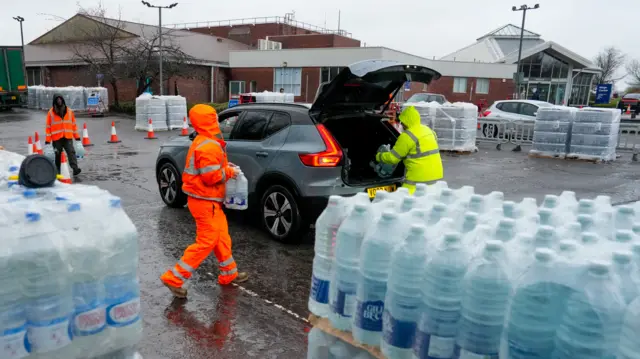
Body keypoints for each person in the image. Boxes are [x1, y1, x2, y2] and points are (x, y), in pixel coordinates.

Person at [160, 104, 249, 298]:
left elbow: (209, 169)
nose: (218, 121)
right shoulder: (209, 145)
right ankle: (173, 278)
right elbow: (211, 177)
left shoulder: (204, 140)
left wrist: (225, 165)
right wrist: (229, 172)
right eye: (215, 118)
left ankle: (229, 273)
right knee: (206, 241)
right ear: (209, 121)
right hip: (205, 201)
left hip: (205, 200)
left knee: (221, 237)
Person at [375, 105, 443, 194]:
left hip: (416, 182)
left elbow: (393, 158)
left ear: (406, 121)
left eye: (402, 122)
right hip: (435, 180)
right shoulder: (429, 131)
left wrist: (379, 156)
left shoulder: (407, 136)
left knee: (404, 203)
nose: (401, 125)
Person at [45, 94, 81, 175]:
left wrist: (77, 137)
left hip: (67, 137)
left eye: (60, 99)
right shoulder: (50, 113)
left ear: (63, 100)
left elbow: (73, 125)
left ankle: (75, 168)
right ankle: (57, 171)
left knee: (71, 152)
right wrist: (48, 140)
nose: (59, 101)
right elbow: (48, 127)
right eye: (57, 100)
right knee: (57, 154)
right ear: (54, 101)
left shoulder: (69, 111)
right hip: (56, 138)